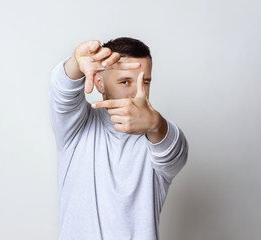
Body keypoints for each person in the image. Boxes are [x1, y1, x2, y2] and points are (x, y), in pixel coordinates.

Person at [49, 37, 188, 240]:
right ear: (99, 82)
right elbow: (61, 94)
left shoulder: (158, 137)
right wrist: (75, 64)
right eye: (125, 81)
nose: (136, 92)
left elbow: (175, 151)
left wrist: (155, 124)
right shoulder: (75, 128)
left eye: (145, 82)